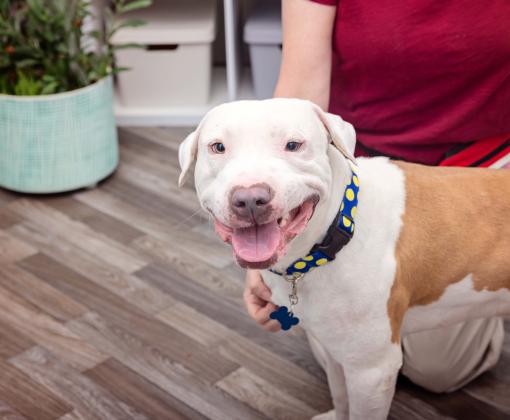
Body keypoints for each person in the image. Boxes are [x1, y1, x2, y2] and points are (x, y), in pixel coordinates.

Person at [243, 0, 510, 393]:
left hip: (483, 167)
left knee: (439, 371)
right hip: (364, 167)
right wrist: (268, 244)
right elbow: (298, 99)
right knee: (350, 339)